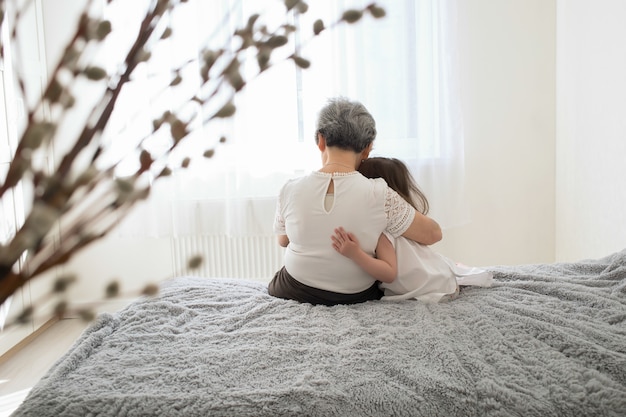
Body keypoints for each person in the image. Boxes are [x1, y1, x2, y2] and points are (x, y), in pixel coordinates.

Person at [268, 98, 443, 306]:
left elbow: (283, 241)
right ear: (368, 149)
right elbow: (433, 234)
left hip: (294, 288)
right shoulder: (380, 194)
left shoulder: (290, 188)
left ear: (320, 141)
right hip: (353, 295)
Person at [331, 157, 493, 303]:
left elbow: (388, 273)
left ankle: (453, 269)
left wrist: (355, 254)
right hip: (442, 281)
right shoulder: (405, 223)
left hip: (432, 290)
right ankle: (454, 268)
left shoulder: (382, 232)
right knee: (436, 260)